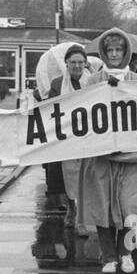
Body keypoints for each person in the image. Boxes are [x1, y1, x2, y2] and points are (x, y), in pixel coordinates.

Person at [79, 29, 137, 274]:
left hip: (131, 157)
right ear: (104, 53)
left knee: (130, 206)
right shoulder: (91, 82)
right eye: (111, 50)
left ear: (125, 51)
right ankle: (108, 255)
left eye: (119, 50)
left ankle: (126, 253)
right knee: (103, 205)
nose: (115, 54)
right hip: (101, 156)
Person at [44, 44, 91, 237]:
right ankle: (73, 210)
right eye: (73, 62)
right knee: (71, 177)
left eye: (81, 62)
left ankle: (81, 215)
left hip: (89, 137)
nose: (77, 66)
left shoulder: (94, 81)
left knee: (86, 177)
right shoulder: (57, 84)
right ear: (66, 64)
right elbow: (50, 110)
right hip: (68, 138)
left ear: (86, 63)